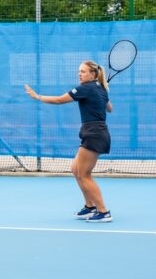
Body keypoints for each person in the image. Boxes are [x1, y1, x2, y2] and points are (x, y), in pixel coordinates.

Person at [24, 61, 113, 223]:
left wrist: (37, 97)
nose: (80, 74)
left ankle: (103, 211)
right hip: (94, 132)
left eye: (83, 72)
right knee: (75, 170)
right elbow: (109, 108)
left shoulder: (85, 88)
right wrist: (103, 91)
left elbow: (59, 100)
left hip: (94, 133)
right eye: (79, 71)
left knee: (84, 174)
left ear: (92, 74)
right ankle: (89, 207)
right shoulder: (100, 89)